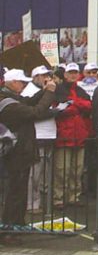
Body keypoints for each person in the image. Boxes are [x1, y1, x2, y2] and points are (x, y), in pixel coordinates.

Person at [0, 69, 56, 226]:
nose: (24, 85)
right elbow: (35, 112)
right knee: (15, 192)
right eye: (22, 83)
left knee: (19, 191)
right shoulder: (8, 104)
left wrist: (44, 91)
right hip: (16, 152)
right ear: (13, 83)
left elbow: (28, 101)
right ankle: (10, 226)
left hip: (20, 151)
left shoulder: (11, 98)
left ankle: (16, 223)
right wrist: (49, 93)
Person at [53, 62, 92, 208]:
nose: (73, 75)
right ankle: (59, 198)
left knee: (78, 169)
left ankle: (73, 197)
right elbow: (59, 110)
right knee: (62, 170)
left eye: (75, 72)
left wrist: (73, 103)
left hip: (79, 136)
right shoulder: (58, 90)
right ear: (65, 74)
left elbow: (88, 106)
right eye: (70, 72)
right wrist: (77, 105)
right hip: (64, 136)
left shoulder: (81, 90)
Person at [22, 66, 57, 214]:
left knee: (44, 173)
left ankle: (40, 201)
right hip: (37, 135)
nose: (46, 78)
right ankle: (32, 203)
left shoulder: (45, 90)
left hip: (49, 134)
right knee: (34, 173)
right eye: (42, 75)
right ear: (35, 77)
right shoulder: (29, 91)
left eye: (47, 75)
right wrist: (52, 112)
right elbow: (34, 112)